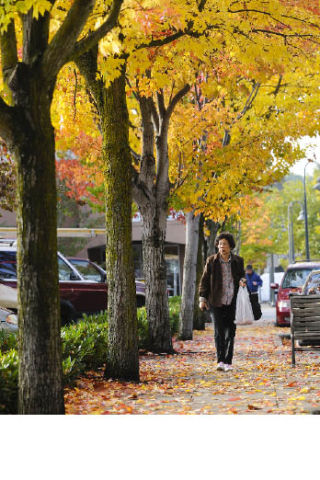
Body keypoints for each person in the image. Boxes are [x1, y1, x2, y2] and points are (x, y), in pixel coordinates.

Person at [199, 232, 246, 372]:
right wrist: (202, 298)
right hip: (216, 301)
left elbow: (241, 276)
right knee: (219, 331)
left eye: (224, 244)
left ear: (230, 246)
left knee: (230, 332)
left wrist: (243, 281)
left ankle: (228, 361)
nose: (222, 247)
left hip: (233, 301)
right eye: (220, 244)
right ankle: (220, 360)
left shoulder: (238, 261)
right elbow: (204, 280)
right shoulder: (211, 261)